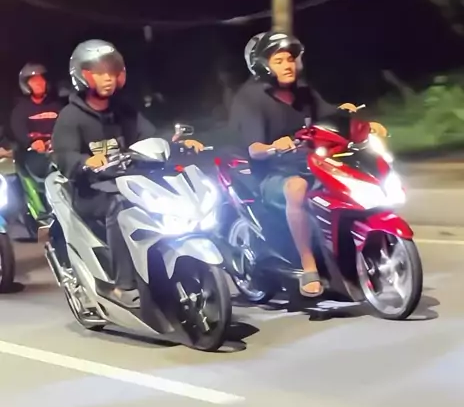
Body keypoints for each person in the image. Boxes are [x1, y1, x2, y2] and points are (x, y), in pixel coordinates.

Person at [230, 31, 385, 298]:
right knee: (297, 188)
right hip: (272, 176)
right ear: (263, 66)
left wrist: (363, 125)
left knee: (355, 179)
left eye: (290, 59)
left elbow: (330, 115)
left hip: (314, 165)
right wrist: (273, 147)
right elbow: (254, 149)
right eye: (279, 60)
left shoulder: (303, 92)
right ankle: (309, 265)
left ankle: (357, 253)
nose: (288, 65)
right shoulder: (250, 99)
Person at [52, 39, 203, 308]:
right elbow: (64, 156)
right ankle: (123, 284)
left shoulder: (125, 111)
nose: (108, 79)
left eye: (112, 72)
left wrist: (176, 144)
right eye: (100, 73)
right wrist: (86, 161)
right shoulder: (70, 117)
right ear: (83, 75)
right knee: (121, 207)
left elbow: (150, 137)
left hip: (131, 182)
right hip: (92, 191)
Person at [10, 64, 62, 179]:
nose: (39, 83)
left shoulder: (57, 106)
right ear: (26, 85)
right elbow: (18, 131)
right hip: (33, 153)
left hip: (57, 150)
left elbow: (66, 127)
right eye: (34, 81)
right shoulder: (20, 109)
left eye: (41, 80)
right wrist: (31, 142)